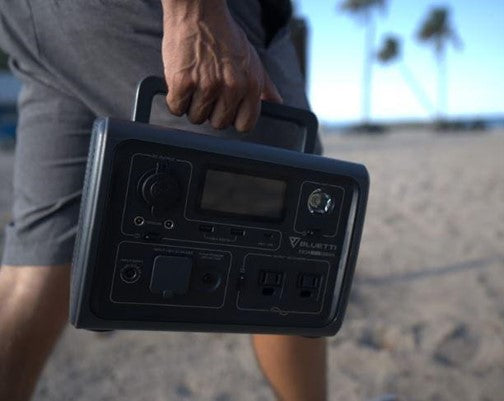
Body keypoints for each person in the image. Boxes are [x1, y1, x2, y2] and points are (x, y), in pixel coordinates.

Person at [0, 1, 326, 400]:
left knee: (36, 259)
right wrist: (196, 15)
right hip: (148, 11)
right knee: (291, 245)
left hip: (36, 22)